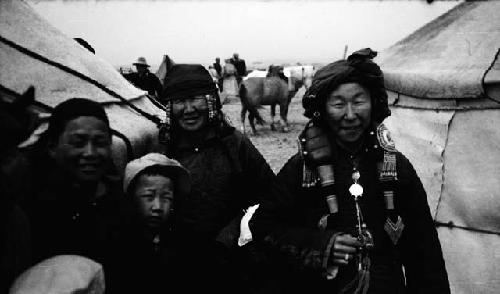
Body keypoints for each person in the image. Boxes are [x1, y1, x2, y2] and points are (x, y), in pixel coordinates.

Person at [249, 48, 450, 293]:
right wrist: (322, 245)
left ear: (373, 104)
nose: (350, 114)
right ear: (322, 109)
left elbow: (424, 250)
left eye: (358, 101)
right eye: (338, 104)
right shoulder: (302, 168)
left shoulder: (396, 166)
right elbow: (263, 227)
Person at [160, 64, 288, 293]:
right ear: (169, 107)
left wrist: (233, 231)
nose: (188, 109)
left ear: (211, 101)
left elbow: (269, 193)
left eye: (196, 99)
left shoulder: (234, 143)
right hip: (178, 265)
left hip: (234, 260)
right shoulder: (161, 149)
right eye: (179, 101)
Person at [20, 98, 124, 266]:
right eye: (78, 143)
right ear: (52, 147)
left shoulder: (120, 203)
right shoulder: (31, 206)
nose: (90, 153)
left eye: (100, 143)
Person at [105, 153, 190, 293]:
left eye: (166, 197)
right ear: (132, 198)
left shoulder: (184, 243)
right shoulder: (116, 241)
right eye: (148, 196)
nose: (157, 207)